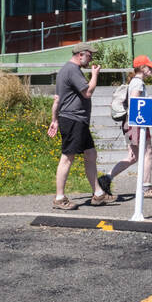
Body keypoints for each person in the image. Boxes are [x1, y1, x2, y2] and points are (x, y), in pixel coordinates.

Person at [47, 42, 115, 210]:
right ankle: (59, 198)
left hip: (77, 120)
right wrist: (94, 74)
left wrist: (54, 120)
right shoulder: (72, 70)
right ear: (80, 55)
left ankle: (98, 194)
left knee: (91, 154)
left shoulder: (68, 70)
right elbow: (87, 92)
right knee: (67, 157)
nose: (91, 58)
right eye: (89, 55)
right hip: (73, 120)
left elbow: (57, 99)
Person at [98, 55, 152, 200]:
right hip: (136, 123)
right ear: (141, 68)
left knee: (133, 156)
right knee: (147, 152)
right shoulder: (138, 83)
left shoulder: (135, 82)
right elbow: (135, 102)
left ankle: (106, 179)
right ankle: (146, 187)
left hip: (130, 123)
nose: (151, 69)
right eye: (149, 66)